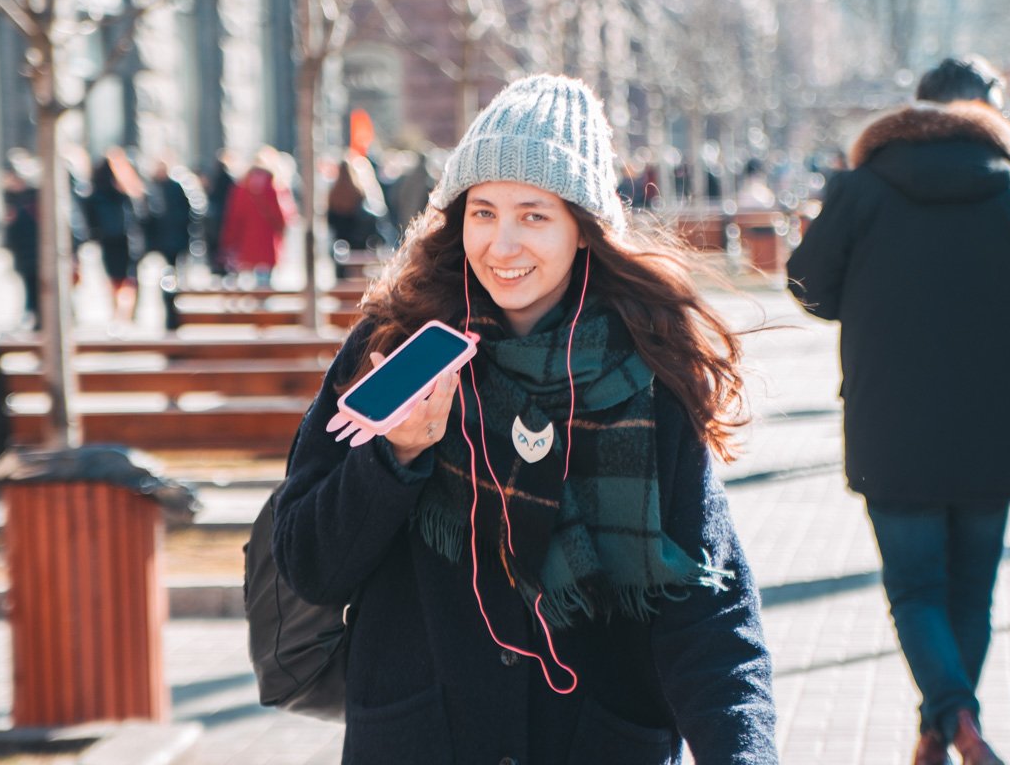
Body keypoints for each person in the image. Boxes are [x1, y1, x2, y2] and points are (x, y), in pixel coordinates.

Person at [271, 74, 777, 763]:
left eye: (533, 215)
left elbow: (708, 610)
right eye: (483, 212)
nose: (501, 245)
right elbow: (309, 564)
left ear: (583, 227)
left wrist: (743, 752)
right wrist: (394, 461)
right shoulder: (394, 350)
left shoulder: (647, 370)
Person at [786, 55, 1010, 765]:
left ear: (914, 111)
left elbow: (808, 286)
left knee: (915, 590)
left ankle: (953, 723)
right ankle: (949, 729)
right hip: (1000, 431)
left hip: (892, 428)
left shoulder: (861, 189)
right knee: (971, 594)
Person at [84, 149, 144, 323]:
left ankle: (120, 310)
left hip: (116, 240)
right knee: (126, 278)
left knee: (118, 278)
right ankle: (123, 311)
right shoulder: (125, 189)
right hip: (123, 240)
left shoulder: (102, 192)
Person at [219, 147, 295, 282]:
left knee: (248, 285)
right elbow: (284, 218)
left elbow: (234, 219)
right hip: (268, 245)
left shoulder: (241, 188)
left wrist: (229, 244)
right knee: (264, 285)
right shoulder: (275, 187)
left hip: (246, 246)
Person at [2, 167, 40, 325]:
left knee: (37, 288)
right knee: (31, 288)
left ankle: (35, 315)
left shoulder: (33, 200)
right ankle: (33, 315)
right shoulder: (13, 200)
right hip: (26, 254)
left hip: (36, 252)